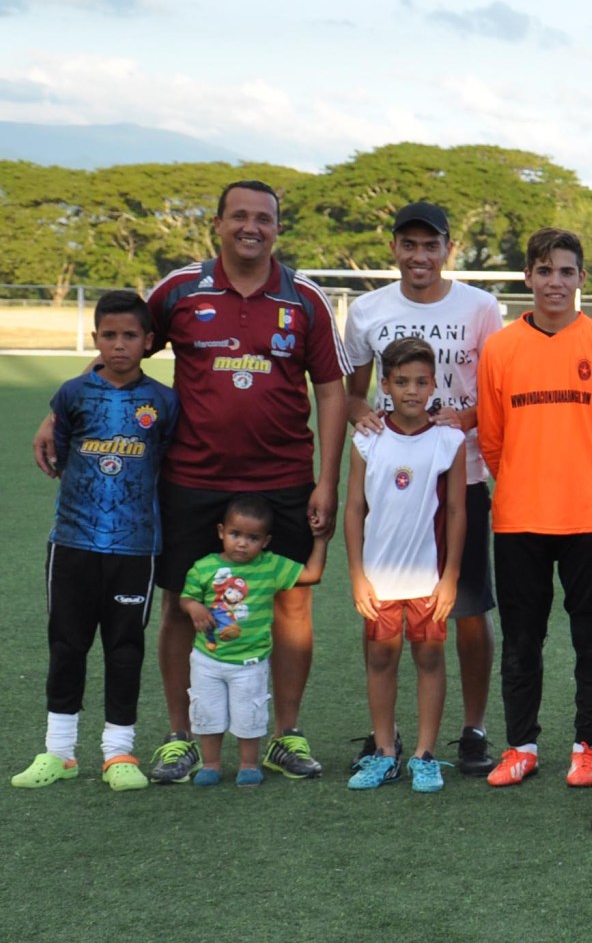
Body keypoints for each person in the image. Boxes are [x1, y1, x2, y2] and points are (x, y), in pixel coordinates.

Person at [33, 179, 348, 783]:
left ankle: (285, 734)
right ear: (219, 224)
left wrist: (327, 480)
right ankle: (179, 736)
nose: (250, 227)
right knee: (183, 600)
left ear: (278, 228)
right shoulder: (180, 289)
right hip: (191, 477)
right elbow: (124, 344)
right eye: (239, 216)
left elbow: (331, 389)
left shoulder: (304, 298)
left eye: (263, 218)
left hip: (282, 475)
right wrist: (59, 411)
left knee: (292, 599)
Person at [342, 201, 504, 777]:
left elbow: (496, 389)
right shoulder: (366, 310)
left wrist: (465, 418)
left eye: (430, 245)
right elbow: (354, 394)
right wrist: (363, 417)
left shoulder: (481, 307)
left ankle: (472, 728)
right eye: (408, 245)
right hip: (391, 470)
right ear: (394, 248)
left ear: (447, 249)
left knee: (463, 605)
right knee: (387, 604)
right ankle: (386, 739)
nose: (419, 256)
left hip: (462, 471)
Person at [475, 228, 592, 789]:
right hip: (518, 518)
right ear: (528, 277)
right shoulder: (499, 348)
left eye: (566, 272)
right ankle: (521, 745)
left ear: (582, 279)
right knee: (522, 640)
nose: (555, 282)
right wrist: (525, 480)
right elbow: (492, 440)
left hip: (591, 520)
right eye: (544, 271)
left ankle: (587, 747)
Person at [13, 292, 180, 793]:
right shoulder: (71, 394)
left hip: (135, 546)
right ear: (95, 340)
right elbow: (60, 455)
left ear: (149, 342)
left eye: (130, 335)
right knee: (67, 645)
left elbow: (166, 462)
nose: (119, 344)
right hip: (73, 543)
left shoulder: (163, 401)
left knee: (125, 648)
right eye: (109, 335)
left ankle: (118, 751)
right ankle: (59, 751)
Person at [342, 336, 467, 794]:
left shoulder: (448, 440)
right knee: (380, 658)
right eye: (401, 382)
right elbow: (353, 509)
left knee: (430, 657)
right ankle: (384, 752)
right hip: (378, 577)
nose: (412, 390)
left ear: (434, 384)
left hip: (428, 579)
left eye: (420, 381)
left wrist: (451, 575)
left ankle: (425, 754)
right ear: (386, 385)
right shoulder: (367, 439)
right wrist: (357, 575)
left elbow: (456, 511)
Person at [171, 495, 329, 786]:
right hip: (207, 658)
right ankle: (212, 765)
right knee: (207, 712)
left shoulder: (271, 566)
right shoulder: (204, 567)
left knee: (250, 714)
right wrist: (194, 607)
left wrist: (321, 541)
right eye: (235, 534)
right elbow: (186, 598)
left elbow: (312, 574)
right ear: (221, 532)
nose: (242, 543)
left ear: (266, 541)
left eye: (252, 537)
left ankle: (248, 764)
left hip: (250, 661)